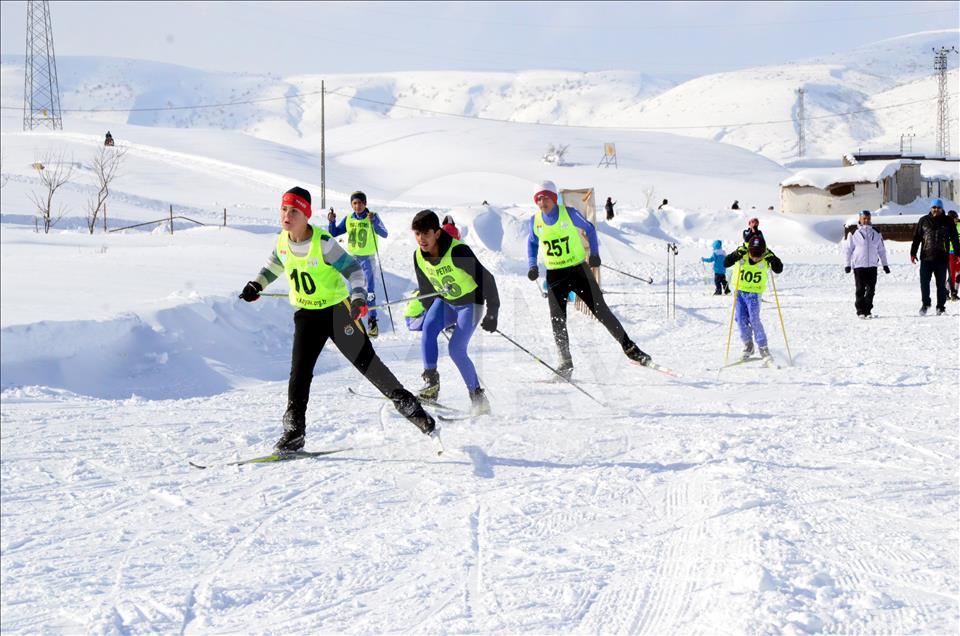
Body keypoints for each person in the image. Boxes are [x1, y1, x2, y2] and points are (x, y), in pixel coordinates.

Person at [239, 186, 436, 452]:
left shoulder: (323, 244)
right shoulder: (282, 241)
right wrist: (257, 284)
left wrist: (357, 297)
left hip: (337, 312)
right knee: (299, 375)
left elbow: (355, 271)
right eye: (284, 209)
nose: (287, 215)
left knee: (370, 367)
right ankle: (294, 432)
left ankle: (417, 414)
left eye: (294, 210)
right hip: (306, 316)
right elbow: (274, 264)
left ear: (306, 215)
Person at [527, 180, 652, 378]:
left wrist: (594, 253)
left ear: (553, 198)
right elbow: (532, 243)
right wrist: (532, 265)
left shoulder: (568, 213)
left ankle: (631, 350)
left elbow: (590, 229)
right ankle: (566, 364)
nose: (542, 202)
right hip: (555, 275)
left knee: (601, 311)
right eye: (539, 199)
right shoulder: (535, 221)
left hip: (578, 271)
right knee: (557, 320)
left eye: (546, 198)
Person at [412, 209, 499, 415]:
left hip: (471, 304)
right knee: (428, 329)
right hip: (446, 303)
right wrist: (432, 315)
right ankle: (431, 385)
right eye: (417, 233)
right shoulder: (418, 256)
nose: (421, 239)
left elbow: (487, 279)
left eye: (426, 233)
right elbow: (426, 290)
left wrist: (493, 311)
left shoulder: (458, 251)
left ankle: (478, 396)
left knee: (456, 349)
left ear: (437, 233)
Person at [327, 191, 388, 336]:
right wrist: (331, 221)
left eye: (360, 202)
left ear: (365, 204)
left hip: (368, 259)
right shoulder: (349, 218)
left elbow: (384, 233)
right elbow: (334, 233)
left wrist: (374, 222)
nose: (357, 206)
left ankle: (372, 321)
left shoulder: (372, 216)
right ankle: (354, 323)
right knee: (353, 291)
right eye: (354, 203)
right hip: (353, 259)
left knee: (370, 292)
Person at [724, 235, 784, 360]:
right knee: (740, 319)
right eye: (753, 254)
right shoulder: (742, 252)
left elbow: (779, 269)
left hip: (754, 294)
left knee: (754, 319)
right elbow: (726, 263)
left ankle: (763, 347)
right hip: (740, 292)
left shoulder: (767, 254)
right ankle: (748, 345)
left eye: (759, 255)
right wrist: (735, 254)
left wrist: (773, 260)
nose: (756, 258)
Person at [910, 198, 960, 316]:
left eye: (938, 207)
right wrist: (913, 253)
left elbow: (955, 239)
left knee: (941, 284)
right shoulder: (923, 221)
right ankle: (925, 304)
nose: (936, 210)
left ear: (942, 208)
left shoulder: (948, 221)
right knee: (924, 283)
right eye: (934, 207)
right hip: (926, 258)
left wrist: (958, 253)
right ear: (931, 208)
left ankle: (941, 307)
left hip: (942, 258)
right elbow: (916, 238)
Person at [844, 210, 890, 319]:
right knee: (860, 289)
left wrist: (885, 265)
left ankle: (868, 310)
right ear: (859, 219)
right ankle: (860, 311)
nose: (866, 220)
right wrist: (847, 264)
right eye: (864, 218)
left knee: (871, 290)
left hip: (872, 266)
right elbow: (848, 250)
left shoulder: (876, 233)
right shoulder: (853, 232)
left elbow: (881, 250)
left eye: (868, 218)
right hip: (859, 266)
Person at [947, 210, 959, 301]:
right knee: (952, 273)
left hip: (958, 252)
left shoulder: (958, 225)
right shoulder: (945, 227)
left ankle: (954, 293)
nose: (957, 219)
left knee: (958, 273)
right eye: (955, 218)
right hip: (950, 253)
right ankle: (948, 293)